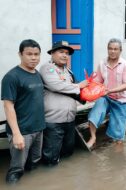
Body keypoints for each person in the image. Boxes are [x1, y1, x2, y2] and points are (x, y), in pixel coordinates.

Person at [1, 39, 45, 183]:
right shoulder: (11, 77)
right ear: (20, 54)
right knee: (16, 169)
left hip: (38, 128)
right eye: (29, 54)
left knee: (34, 163)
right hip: (22, 131)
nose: (34, 58)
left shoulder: (37, 74)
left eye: (37, 54)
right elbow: (8, 106)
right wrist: (16, 134)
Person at [39, 41, 88, 165]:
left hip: (70, 120)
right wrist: (79, 85)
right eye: (61, 52)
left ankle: (64, 179)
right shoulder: (48, 68)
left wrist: (93, 92)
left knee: (68, 152)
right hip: (53, 121)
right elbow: (57, 85)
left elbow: (77, 91)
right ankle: (51, 179)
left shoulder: (69, 71)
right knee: (51, 157)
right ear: (52, 53)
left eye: (67, 53)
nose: (65, 55)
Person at [86, 38, 126, 149]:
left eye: (116, 49)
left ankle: (118, 152)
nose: (112, 51)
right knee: (94, 115)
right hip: (106, 97)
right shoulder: (102, 63)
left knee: (119, 134)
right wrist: (90, 93)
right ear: (107, 49)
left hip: (120, 100)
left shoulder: (125, 65)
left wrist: (110, 90)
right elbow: (97, 82)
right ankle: (93, 137)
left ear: (120, 50)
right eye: (110, 48)